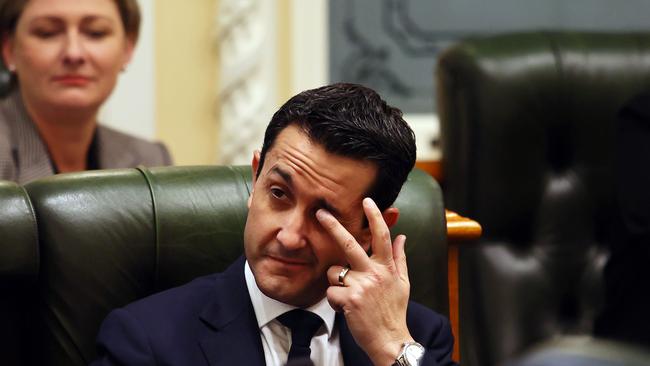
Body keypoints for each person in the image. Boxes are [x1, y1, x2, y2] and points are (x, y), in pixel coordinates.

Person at [92, 83, 456, 366]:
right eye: (279, 194)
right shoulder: (147, 340)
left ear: (369, 230)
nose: (290, 235)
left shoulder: (417, 337)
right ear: (256, 177)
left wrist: (391, 348)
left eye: (323, 215)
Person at [0, 0, 171, 184]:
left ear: (127, 48)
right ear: (9, 49)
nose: (73, 53)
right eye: (47, 33)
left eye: (95, 33)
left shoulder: (150, 161)